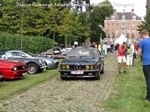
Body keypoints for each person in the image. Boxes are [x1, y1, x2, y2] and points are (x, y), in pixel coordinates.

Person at [138, 30, 150, 102]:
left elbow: (139, 53)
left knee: (148, 80)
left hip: (146, 63)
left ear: (143, 35)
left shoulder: (142, 42)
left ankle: (148, 97)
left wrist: (139, 53)